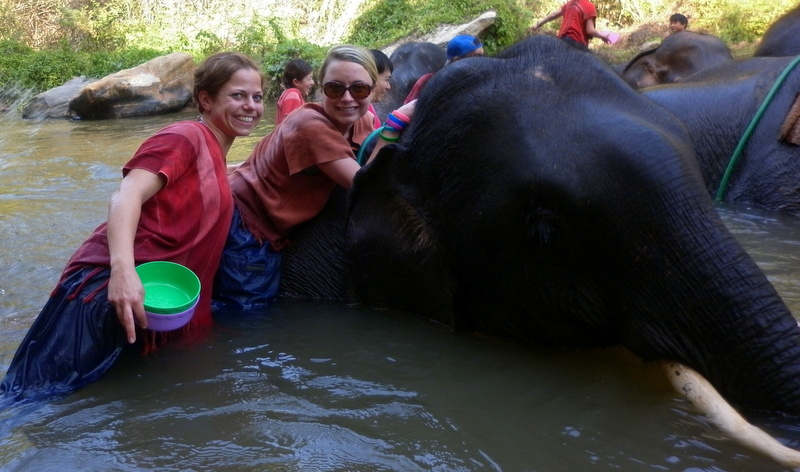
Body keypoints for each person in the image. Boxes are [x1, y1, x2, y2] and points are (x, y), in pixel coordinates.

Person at [0, 52, 265, 402]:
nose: (251, 106)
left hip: (153, 302)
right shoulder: (184, 136)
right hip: (108, 296)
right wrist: (123, 273)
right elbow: (126, 195)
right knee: (25, 402)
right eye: (237, 95)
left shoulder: (213, 152)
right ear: (206, 99)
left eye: (257, 97)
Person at [212, 44, 415, 310]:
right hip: (247, 225)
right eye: (334, 88)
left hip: (273, 217)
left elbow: (366, 160)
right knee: (249, 312)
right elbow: (363, 187)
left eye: (359, 89)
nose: (347, 98)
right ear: (320, 88)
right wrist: (394, 125)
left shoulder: (361, 120)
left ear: (373, 88)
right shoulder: (310, 125)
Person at [404, 35, 484, 104]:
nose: (484, 60)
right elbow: (405, 112)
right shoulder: (427, 82)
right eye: (478, 56)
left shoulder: (483, 76)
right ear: (457, 60)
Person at [530, 0, 611, 50]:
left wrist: (538, 24)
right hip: (577, 44)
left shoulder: (570, 4)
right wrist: (602, 36)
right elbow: (590, 31)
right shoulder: (589, 6)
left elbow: (553, 14)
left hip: (561, 41)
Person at [275, 58, 314, 125]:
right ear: (296, 82)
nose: (312, 82)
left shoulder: (288, 94)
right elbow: (290, 126)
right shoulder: (293, 95)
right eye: (309, 79)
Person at [367, 49, 393, 129]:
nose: (389, 87)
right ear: (372, 76)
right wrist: (397, 120)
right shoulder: (359, 114)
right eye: (387, 79)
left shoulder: (368, 106)